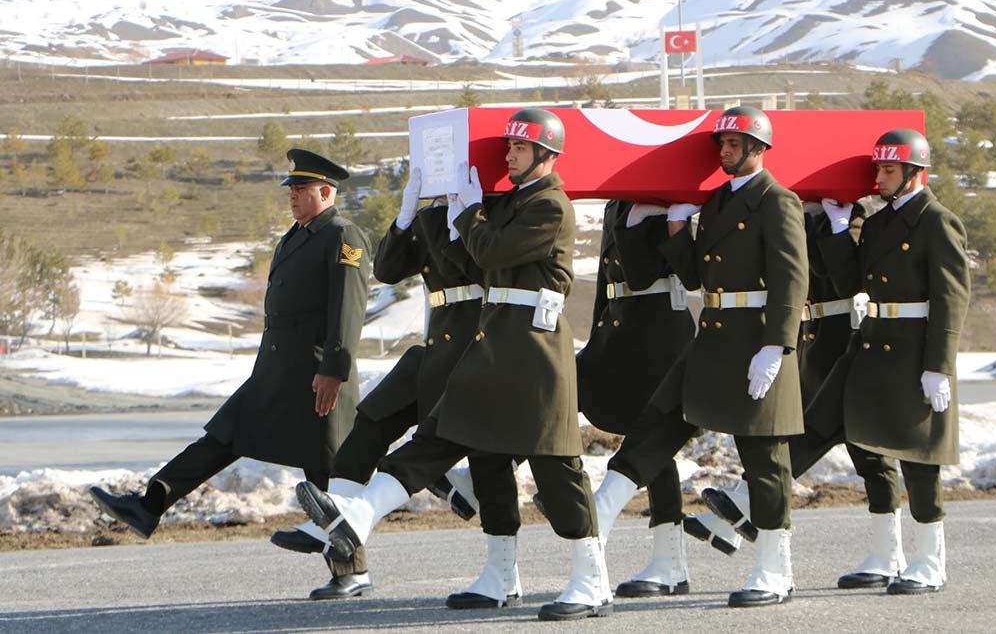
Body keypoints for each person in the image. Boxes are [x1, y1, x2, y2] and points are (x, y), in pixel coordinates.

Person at [293, 108, 615, 621]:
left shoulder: (550, 205)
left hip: (535, 350)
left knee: (555, 467)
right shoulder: (509, 202)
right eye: (508, 148)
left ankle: (592, 579)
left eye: (520, 148)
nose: (509, 155)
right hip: (493, 344)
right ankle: (480, 565)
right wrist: (438, 210)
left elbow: (489, 252)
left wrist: (466, 212)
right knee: (451, 442)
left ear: (546, 154)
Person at [89, 149, 370, 544]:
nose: (291, 195)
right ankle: (149, 504)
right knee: (223, 436)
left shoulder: (342, 235)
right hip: (277, 372)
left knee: (326, 473)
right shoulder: (296, 236)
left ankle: (348, 564)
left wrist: (334, 370)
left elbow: (348, 308)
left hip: (315, 373)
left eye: (301, 188)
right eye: (291, 188)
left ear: (326, 191)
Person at [588, 106, 809, 608]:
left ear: (757, 147)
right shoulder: (716, 204)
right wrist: (676, 230)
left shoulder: (778, 201)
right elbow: (694, 278)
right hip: (711, 338)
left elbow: (792, 279)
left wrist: (777, 344)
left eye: (733, 143)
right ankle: (598, 514)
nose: (724, 151)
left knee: (764, 457)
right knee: (655, 423)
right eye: (722, 144)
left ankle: (776, 570)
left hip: (756, 341)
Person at [268, 167, 486, 600]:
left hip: (474, 342)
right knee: (367, 422)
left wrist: (466, 212)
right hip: (433, 345)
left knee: (438, 441)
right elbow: (387, 269)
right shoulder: (431, 217)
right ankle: (338, 539)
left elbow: (472, 263)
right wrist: (407, 216)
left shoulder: (484, 217)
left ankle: (457, 487)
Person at [809, 128, 970, 595]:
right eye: (878, 169)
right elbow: (846, 283)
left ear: (915, 173)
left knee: (920, 459)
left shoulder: (938, 221)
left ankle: (930, 562)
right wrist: (838, 230)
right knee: (871, 451)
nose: (878, 177)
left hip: (918, 349)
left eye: (888, 169)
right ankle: (886, 555)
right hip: (877, 343)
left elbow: (951, 298)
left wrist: (939, 364)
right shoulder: (879, 222)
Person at [684, 199, 864, 557]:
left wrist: (839, 228)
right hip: (809, 336)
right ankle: (737, 515)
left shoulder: (849, 213)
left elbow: (842, 280)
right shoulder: (794, 213)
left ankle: (740, 510)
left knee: (837, 443)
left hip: (843, 337)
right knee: (808, 434)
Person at [573, 199, 695, 597]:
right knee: (557, 391)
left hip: (656, 334)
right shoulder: (618, 202)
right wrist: (597, 333)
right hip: (620, 331)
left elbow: (641, 274)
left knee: (652, 444)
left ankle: (669, 563)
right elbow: (610, 282)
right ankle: (557, 488)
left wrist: (640, 220)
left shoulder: (660, 198)